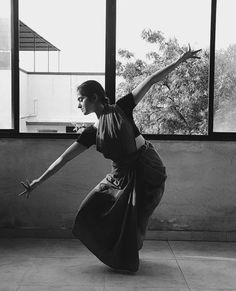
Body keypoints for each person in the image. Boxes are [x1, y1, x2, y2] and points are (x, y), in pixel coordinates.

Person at [19, 45, 201, 272]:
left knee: (132, 217)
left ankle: (125, 256)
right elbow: (63, 159)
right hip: (120, 175)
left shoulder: (122, 108)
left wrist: (179, 61)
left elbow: (151, 80)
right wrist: (38, 181)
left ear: (94, 97)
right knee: (90, 210)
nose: (78, 104)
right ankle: (119, 255)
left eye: (81, 99)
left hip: (147, 167)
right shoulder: (91, 132)